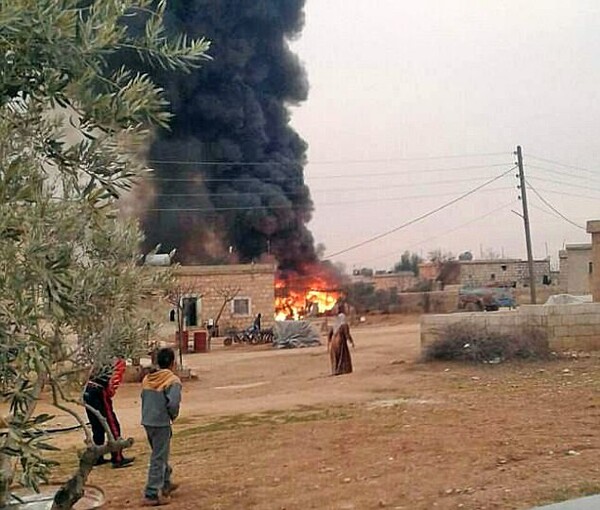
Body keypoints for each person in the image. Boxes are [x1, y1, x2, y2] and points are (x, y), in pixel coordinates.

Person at [141, 347, 182, 507]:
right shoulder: (172, 381)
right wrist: (172, 416)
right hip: (161, 422)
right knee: (158, 457)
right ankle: (151, 493)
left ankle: (165, 482)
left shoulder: (147, 378)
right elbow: (173, 403)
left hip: (147, 421)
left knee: (159, 453)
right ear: (173, 363)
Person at [83, 357, 134, 468]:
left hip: (88, 390)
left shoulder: (104, 355)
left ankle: (97, 456)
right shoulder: (118, 361)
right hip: (99, 391)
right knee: (112, 425)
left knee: (97, 426)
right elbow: (112, 384)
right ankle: (117, 458)